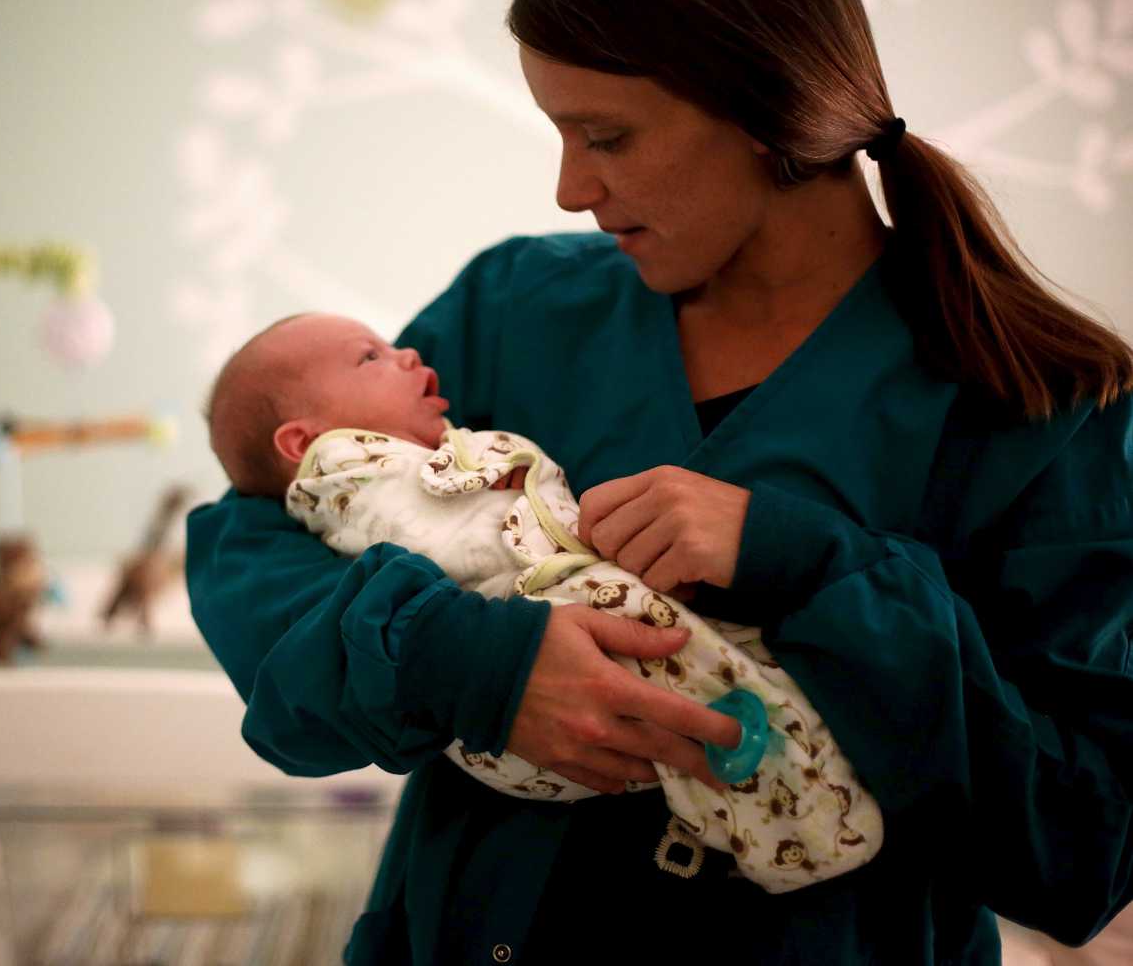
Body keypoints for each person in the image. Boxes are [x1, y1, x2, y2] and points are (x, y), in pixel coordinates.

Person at [185, 0, 1133, 961]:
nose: (570, 187)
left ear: (768, 109)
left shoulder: (1040, 403)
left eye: (607, 138)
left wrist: (813, 567)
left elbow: (1077, 845)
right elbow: (255, 554)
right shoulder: (514, 313)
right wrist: (468, 662)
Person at [203, 311, 885, 894]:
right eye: (371, 356)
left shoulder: (932, 345)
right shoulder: (354, 471)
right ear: (305, 443)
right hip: (509, 749)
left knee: (707, 682)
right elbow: (260, 560)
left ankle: (794, 795)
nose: (410, 354)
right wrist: (467, 653)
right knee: (699, 695)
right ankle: (808, 812)